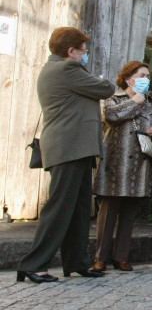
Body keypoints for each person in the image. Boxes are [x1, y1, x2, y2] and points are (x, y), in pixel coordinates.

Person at [17, 27, 116, 283]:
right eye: (83, 50)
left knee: (80, 208)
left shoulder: (56, 69)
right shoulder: (66, 70)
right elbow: (105, 88)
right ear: (71, 51)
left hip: (76, 148)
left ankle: (77, 262)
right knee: (60, 208)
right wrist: (96, 77)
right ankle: (33, 264)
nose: (86, 54)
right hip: (69, 148)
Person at [92, 60, 152, 272]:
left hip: (140, 165)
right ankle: (100, 257)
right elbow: (111, 116)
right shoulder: (113, 98)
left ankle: (121, 256)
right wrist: (135, 101)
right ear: (128, 78)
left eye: (148, 76)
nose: (146, 79)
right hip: (115, 162)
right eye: (142, 75)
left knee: (129, 214)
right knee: (107, 212)